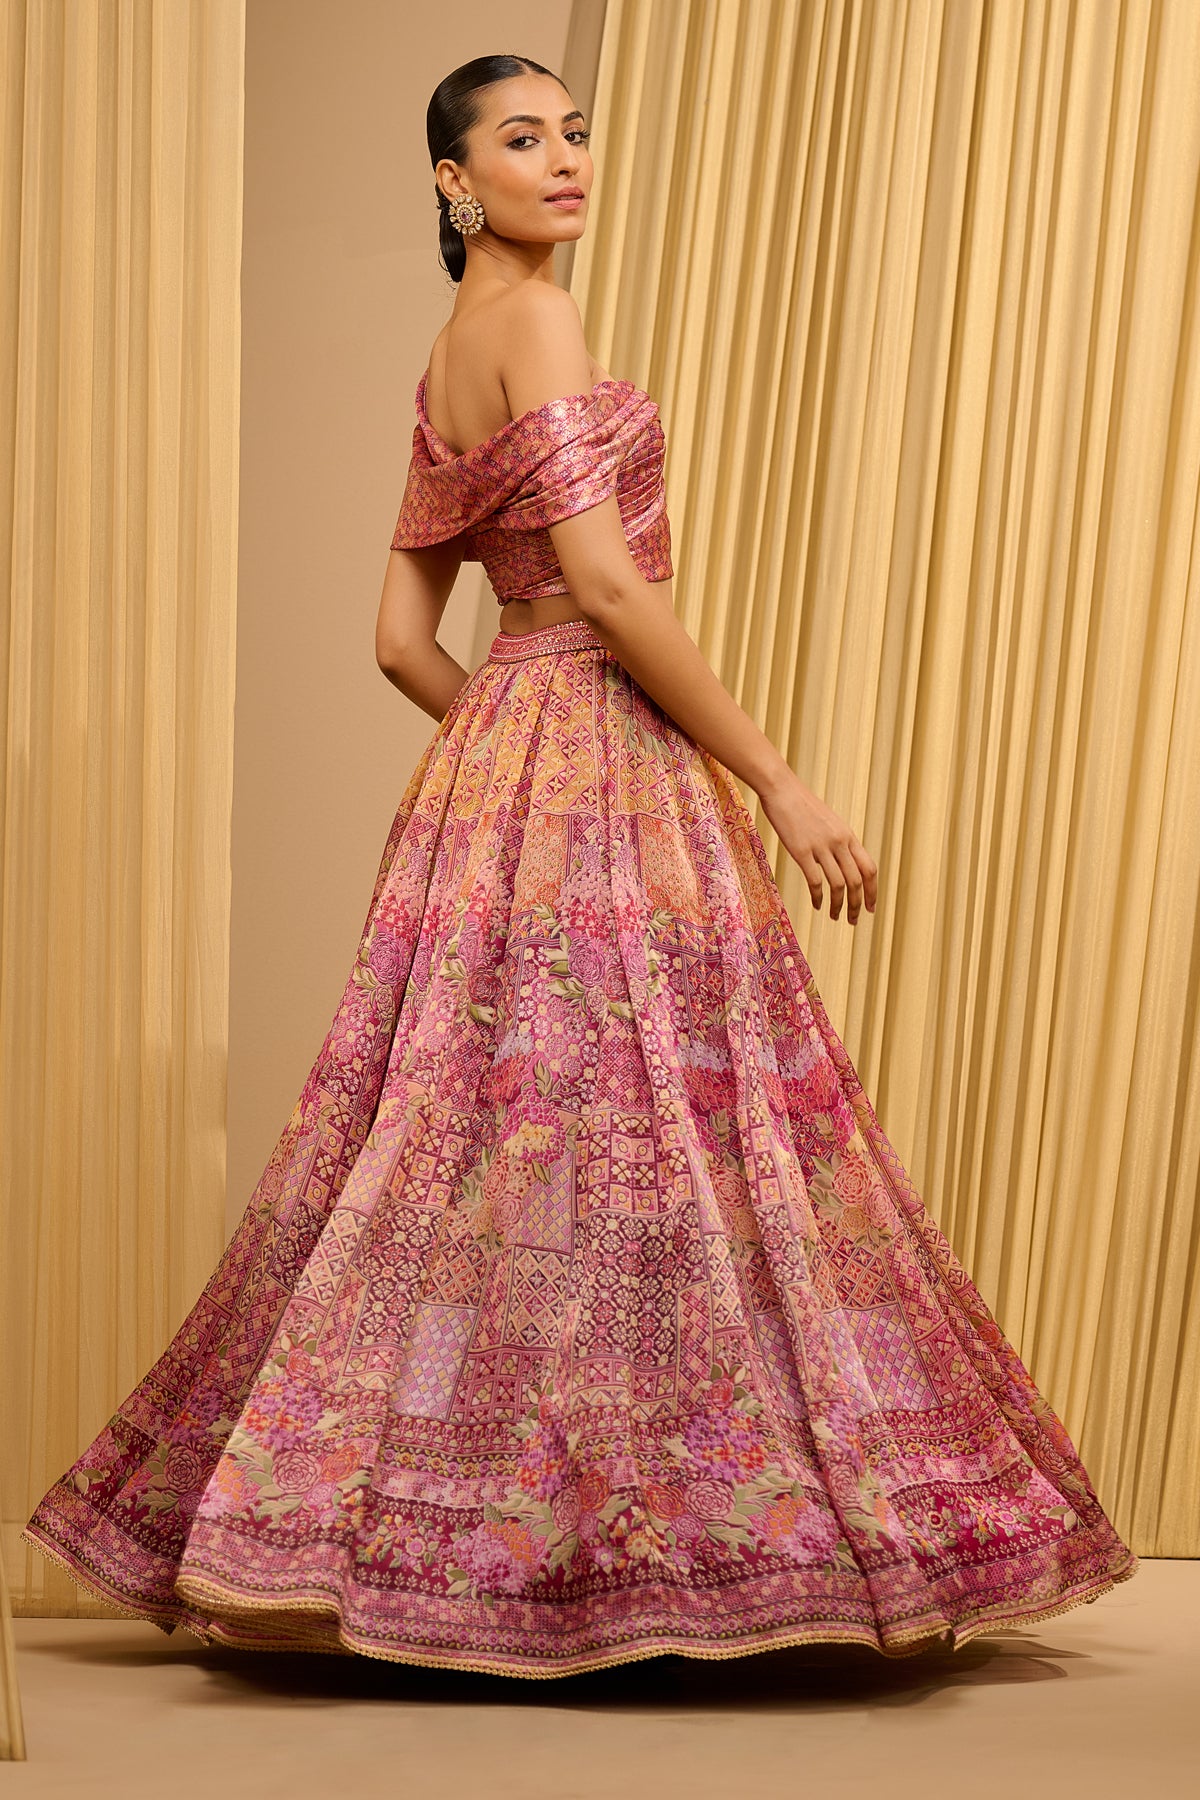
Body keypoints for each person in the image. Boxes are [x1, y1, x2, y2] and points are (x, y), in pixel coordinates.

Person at [22, 53, 1138, 1679]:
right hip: (604, 739)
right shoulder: (538, 321)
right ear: (453, 179)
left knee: (478, 1147)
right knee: (656, 1140)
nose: (566, 161)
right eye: (523, 139)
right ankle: (632, 1556)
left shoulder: (445, 354)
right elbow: (606, 590)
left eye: (577, 134)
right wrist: (776, 779)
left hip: (503, 765)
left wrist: (510, 751)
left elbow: (401, 639)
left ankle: (408, 1542)